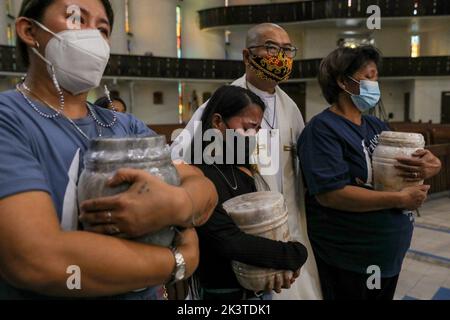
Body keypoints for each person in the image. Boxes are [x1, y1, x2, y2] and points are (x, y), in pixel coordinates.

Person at [0, 0, 217, 300]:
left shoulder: (123, 124)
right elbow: (35, 260)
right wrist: (177, 261)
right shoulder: (9, 118)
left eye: (102, 29)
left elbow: (203, 187)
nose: (92, 36)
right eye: (76, 18)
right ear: (29, 30)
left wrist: (177, 204)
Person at [172, 23, 322, 300]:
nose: (281, 56)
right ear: (246, 55)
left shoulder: (291, 108)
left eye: (287, 49)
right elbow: (180, 161)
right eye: (271, 48)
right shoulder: (222, 103)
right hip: (238, 240)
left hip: (289, 226)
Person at [298, 45, 442, 300]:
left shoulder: (376, 125)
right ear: (344, 82)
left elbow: (403, 167)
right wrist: (400, 200)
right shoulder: (322, 129)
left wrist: (431, 164)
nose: (376, 84)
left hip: (387, 253)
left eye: (376, 76)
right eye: (369, 77)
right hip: (351, 256)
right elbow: (331, 195)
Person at [191, 85, 308, 301]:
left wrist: (278, 269)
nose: (254, 135)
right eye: (248, 127)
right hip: (223, 293)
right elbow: (228, 241)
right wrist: (294, 254)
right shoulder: (198, 175)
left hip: (258, 290)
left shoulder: (243, 168)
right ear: (217, 122)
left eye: (258, 128)